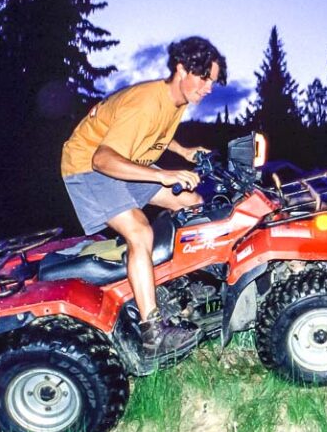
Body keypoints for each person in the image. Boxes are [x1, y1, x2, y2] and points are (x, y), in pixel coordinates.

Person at [60, 36, 227, 359]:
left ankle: (182, 288)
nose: (208, 88)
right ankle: (153, 332)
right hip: (87, 166)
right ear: (181, 69)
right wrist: (162, 174)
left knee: (191, 203)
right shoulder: (146, 102)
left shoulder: (175, 101)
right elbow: (102, 159)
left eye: (213, 81)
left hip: (126, 164)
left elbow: (158, 134)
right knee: (140, 231)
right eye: (204, 77)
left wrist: (184, 151)